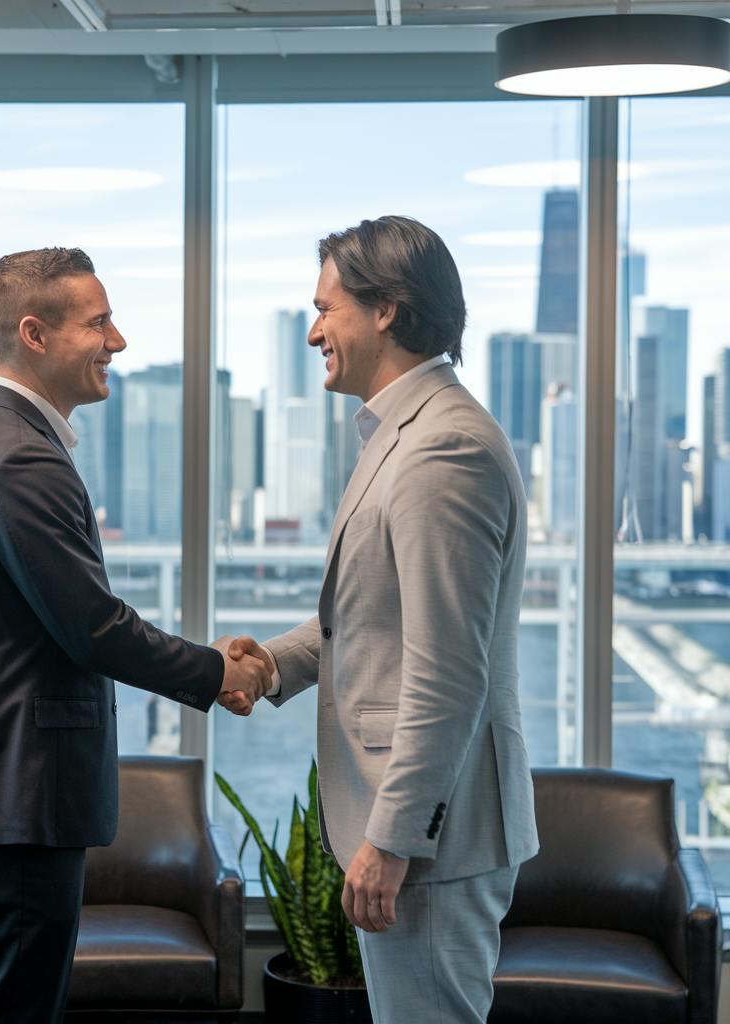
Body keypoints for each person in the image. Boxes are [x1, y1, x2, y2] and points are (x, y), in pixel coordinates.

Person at [0, 247, 270, 1024]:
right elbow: (95, 628)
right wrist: (215, 672)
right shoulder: (22, 459)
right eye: (99, 322)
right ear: (35, 334)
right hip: (14, 799)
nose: (119, 341)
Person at [228, 216, 538, 1023]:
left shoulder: (444, 451)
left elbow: (447, 671)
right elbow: (369, 622)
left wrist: (394, 840)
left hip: (434, 845)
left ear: (387, 309)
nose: (312, 330)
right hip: (427, 838)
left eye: (327, 307)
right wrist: (273, 664)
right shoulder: (401, 434)